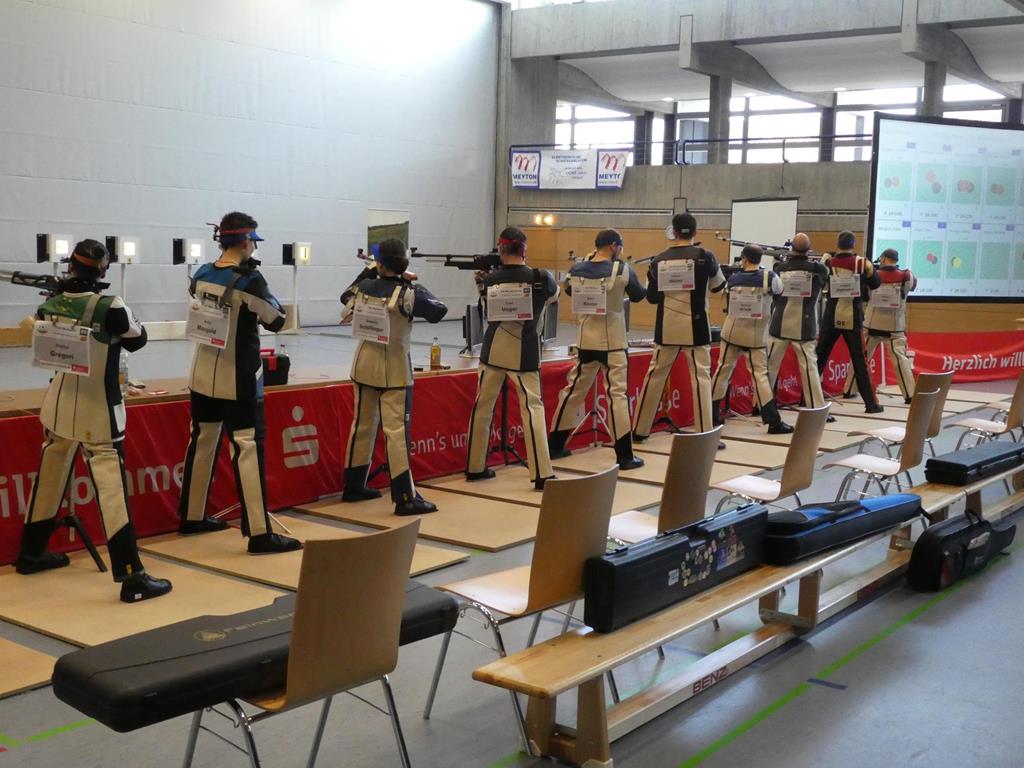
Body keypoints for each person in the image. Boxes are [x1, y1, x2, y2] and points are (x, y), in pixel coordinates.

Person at [15, 239, 172, 602]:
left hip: (58, 402)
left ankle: (30, 554)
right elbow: (138, 338)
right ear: (101, 270)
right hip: (97, 407)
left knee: (49, 478)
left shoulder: (50, 304)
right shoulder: (110, 305)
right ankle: (131, 575)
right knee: (112, 490)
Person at [177, 211, 302, 554]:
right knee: (247, 447)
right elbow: (276, 319)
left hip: (202, 373)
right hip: (239, 376)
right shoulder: (250, 280)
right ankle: (260, 532)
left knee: (202, 441)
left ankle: (192, 516)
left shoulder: (201, 274)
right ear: (246, 242)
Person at [340, 237, 448, 515]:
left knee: (361, 425)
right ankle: (405, 497)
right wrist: (409, 282)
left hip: (363, 364)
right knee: (396, 432)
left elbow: (345, 295)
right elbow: (438, 310)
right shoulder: (408, 293)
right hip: (395, 369)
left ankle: (353, 486)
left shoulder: (363, 287)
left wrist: (372, 269)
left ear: (379, 263)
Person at [465, 228, 558, 489]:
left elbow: (487, 308)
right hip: (524, 351)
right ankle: (542, 473)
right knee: (532, 408)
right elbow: (554, 296)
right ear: (524, 250)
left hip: (493, 350)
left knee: (482, 408)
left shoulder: (490, 279)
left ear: (501, 250)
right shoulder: (541, 277)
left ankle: (474, 467)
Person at [549, 229, 646, 470]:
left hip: (585, 342)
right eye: (620, 247)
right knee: (617, 396)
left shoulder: (576, 269)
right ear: (613, 246)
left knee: (573, 392)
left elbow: (568, 289)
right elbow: (638, 295)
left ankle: (555, 445)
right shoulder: (622, 270)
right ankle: (624, 455)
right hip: (614, 343)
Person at [632, 212, 726, 446]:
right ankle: (705, 433)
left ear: (673, 232)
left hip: (666, 328)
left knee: (655, 377)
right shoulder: (706, 256)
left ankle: (639, 431)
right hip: (697, 327)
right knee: (701, 378)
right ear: (695, 232)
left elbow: (652, 298)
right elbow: (718, 287)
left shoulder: (658, 261)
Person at [711, 245, 792, 434]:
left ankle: (711, 415)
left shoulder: (733, 279)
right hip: (756, 337)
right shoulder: (770, 278)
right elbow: (780, 292)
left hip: (731, 333)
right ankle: (773, 421)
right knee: (760, 377)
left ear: (744, 259)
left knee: (722, 371)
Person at [816, 230, 884, 413]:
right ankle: (871, 404)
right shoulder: (862, 263)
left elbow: (819, 282)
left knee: (819, 358)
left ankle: (807, 399)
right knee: (860, 361)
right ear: (853, 245)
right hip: (852, 317)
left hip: (831, 316)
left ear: (838, 244)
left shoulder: (828, 262)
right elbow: (876, 283)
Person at [766, 232, 831, 417]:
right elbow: (825, 274)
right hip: (805, 326)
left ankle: (761, 404)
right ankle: (816, 407)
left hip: (779, 324)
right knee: (809, 368)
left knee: (770, 367)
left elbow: (774, 291)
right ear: (808, 250)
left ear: (792, 249)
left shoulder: (779, 268)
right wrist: (825, 259)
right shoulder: (818, 269)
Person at [843, 248, 917, 403]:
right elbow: (913, 285)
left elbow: (864, 295)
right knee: (901, 361)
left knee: (860, 359)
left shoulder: (873, 274)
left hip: (872, 324)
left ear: (883, 258)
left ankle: (849, 389)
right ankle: (910, 395)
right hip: (895, 327)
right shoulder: (907, 276)